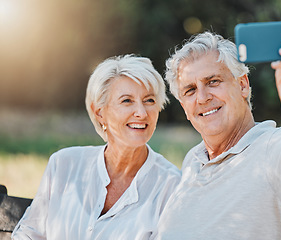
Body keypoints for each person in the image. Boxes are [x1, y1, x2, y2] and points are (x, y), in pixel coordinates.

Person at [154, 30, 281, 239]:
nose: (202, 98)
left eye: (213, 81)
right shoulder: (192, 161)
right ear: (184, 107)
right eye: (190, 90)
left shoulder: (274, 146)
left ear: (242, 85)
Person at [12, 55, 181, 239]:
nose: (141, 113)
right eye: (127, 101)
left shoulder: (172, 186)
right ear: (100, 112)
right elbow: (29, 234)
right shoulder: (63, 165)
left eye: (149, 100)